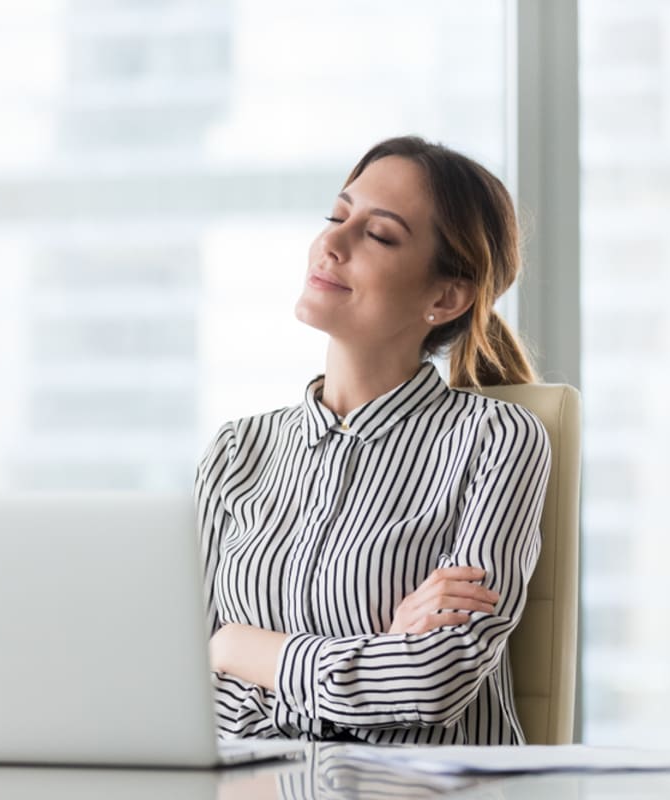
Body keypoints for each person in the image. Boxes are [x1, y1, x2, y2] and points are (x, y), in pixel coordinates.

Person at [195, 135, 552, 745]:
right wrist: (378, 652)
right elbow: (182, 678)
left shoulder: (496, 439)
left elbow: (431, 684)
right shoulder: (239, 450)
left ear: (444, 297)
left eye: (378, 235)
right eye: (337, 217)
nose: (332, 243)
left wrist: (237, 646)